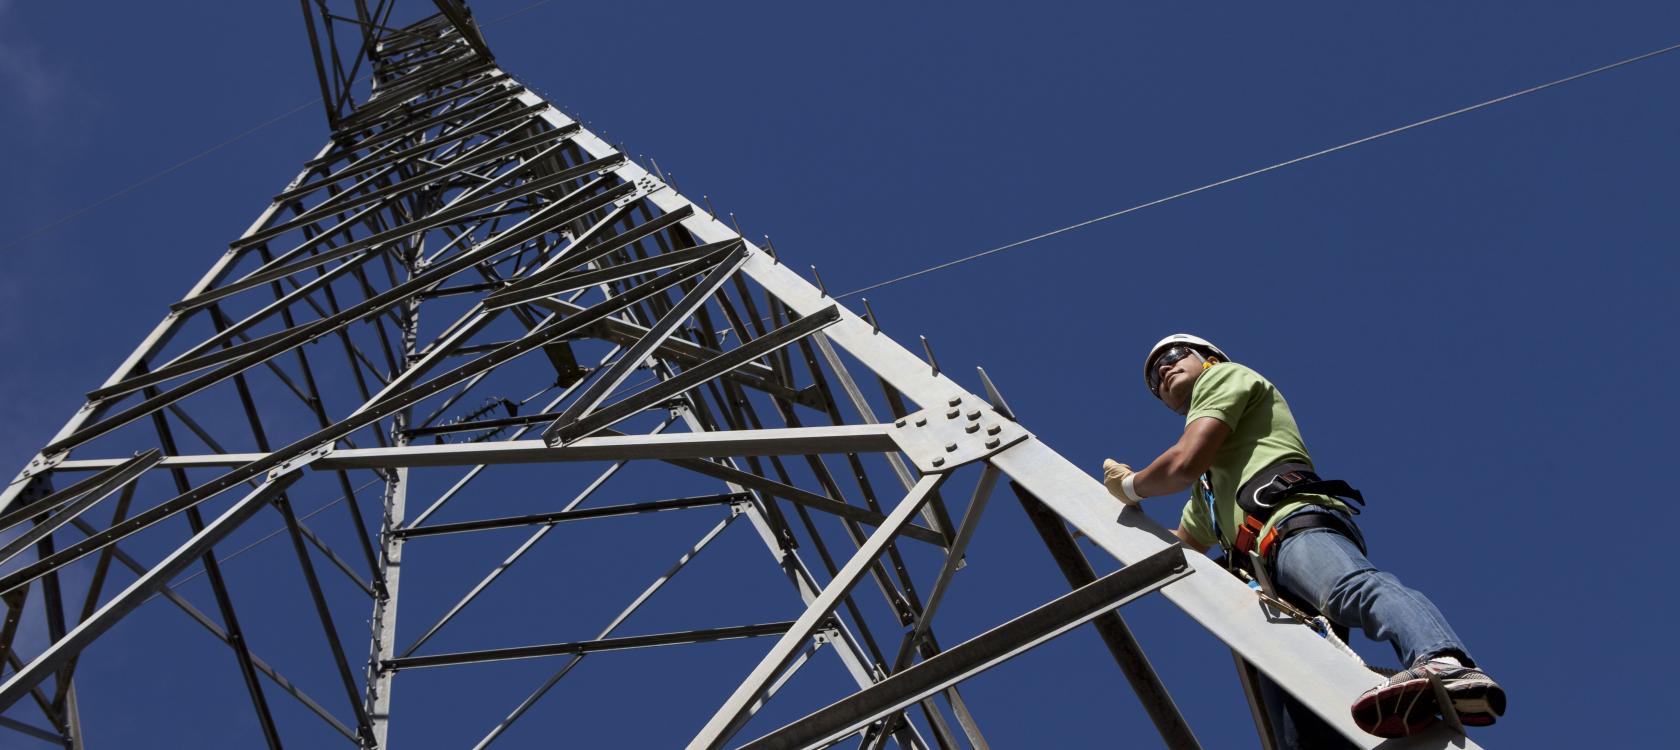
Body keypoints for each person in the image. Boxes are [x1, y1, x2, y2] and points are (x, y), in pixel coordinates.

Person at [1100, 333, 1506, 742]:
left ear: (1209, 358)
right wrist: (1115, 523)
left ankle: (1443, 661)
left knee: (1350, 590)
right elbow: (1185, 542)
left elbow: (1183, 462)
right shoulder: (1209, 485)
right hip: (1271, 586)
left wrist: (1133, 487)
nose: (1163, 370)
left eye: (1171, 356)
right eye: (1154, 378)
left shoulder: (1224, 378)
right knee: (1296, 720)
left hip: (1291, 527)